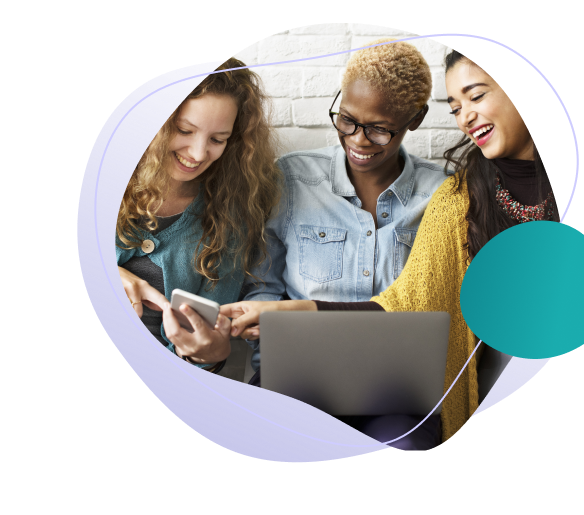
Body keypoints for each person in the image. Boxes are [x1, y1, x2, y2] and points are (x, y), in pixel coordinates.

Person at [222, 49, 560, 446]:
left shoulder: (442, 193)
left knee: (407, 442)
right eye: (347, 120)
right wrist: (261, 326)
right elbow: (263, 285)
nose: (358, 140)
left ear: (414, 121)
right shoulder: (292, 179)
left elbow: (422, 302)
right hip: (301, 381)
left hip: (399, 392)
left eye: (379, 129)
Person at [115, 57, 281, 374]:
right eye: (183, 130)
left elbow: (204, 351)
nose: (198, 154)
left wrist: (206, 354)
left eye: (217, 140)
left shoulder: (232, 212)